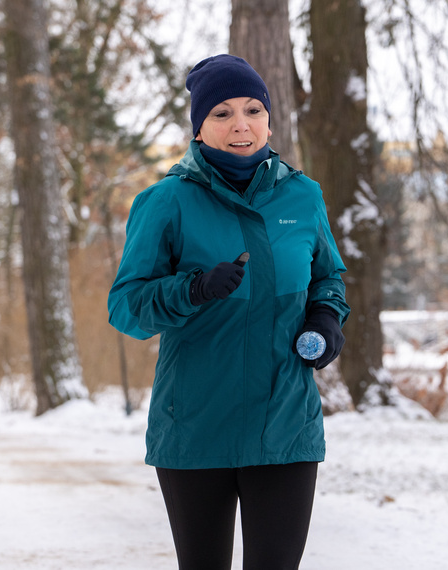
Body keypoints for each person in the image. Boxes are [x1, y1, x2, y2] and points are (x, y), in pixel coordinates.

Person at [107, 54, 349, 570]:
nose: (241, 124)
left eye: (253, 109)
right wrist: (192, 289)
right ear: (199, 128)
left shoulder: (303, 196)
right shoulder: (167, 201)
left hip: (284, 423)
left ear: (268, 119)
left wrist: (325, 319)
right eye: (221, 113)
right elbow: (126, 307)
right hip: (194, 425)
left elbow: (327, 277)